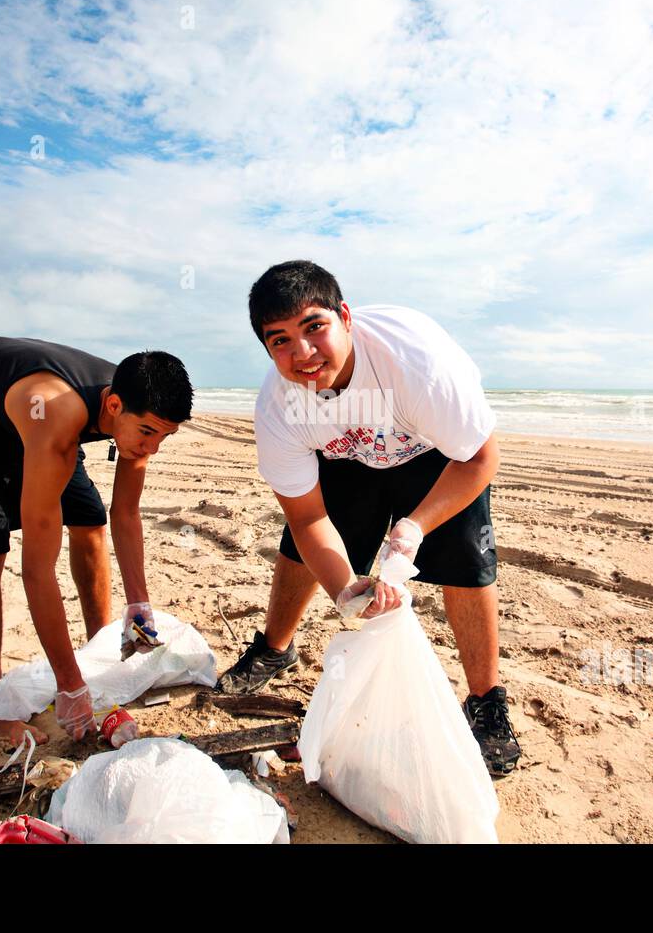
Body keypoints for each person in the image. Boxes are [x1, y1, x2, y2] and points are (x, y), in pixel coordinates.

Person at [216, 261, 521, 776]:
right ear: (267, 350)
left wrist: (415, 526)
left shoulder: (417, 363)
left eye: (315, 327)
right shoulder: (279, 407)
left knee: (467, 559)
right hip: (347, 455)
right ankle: (274, 649)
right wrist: (345, 591)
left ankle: (486, 701)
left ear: (346, 317)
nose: (304, 355)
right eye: (280, 341)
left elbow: (480, 458)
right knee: (299, 551)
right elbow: (308, 518)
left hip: (433, 454)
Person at [0, 337, 192, 746]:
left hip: (28, 415)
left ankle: (97, 657)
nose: (150, 448)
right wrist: (67, 685)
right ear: (114, 407)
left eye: (164, 437)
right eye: (148, 433)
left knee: (90, 518)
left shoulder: (140, 406)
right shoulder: (58, 423)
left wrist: (139, 602)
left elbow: (125, 514)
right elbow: (37, 571)